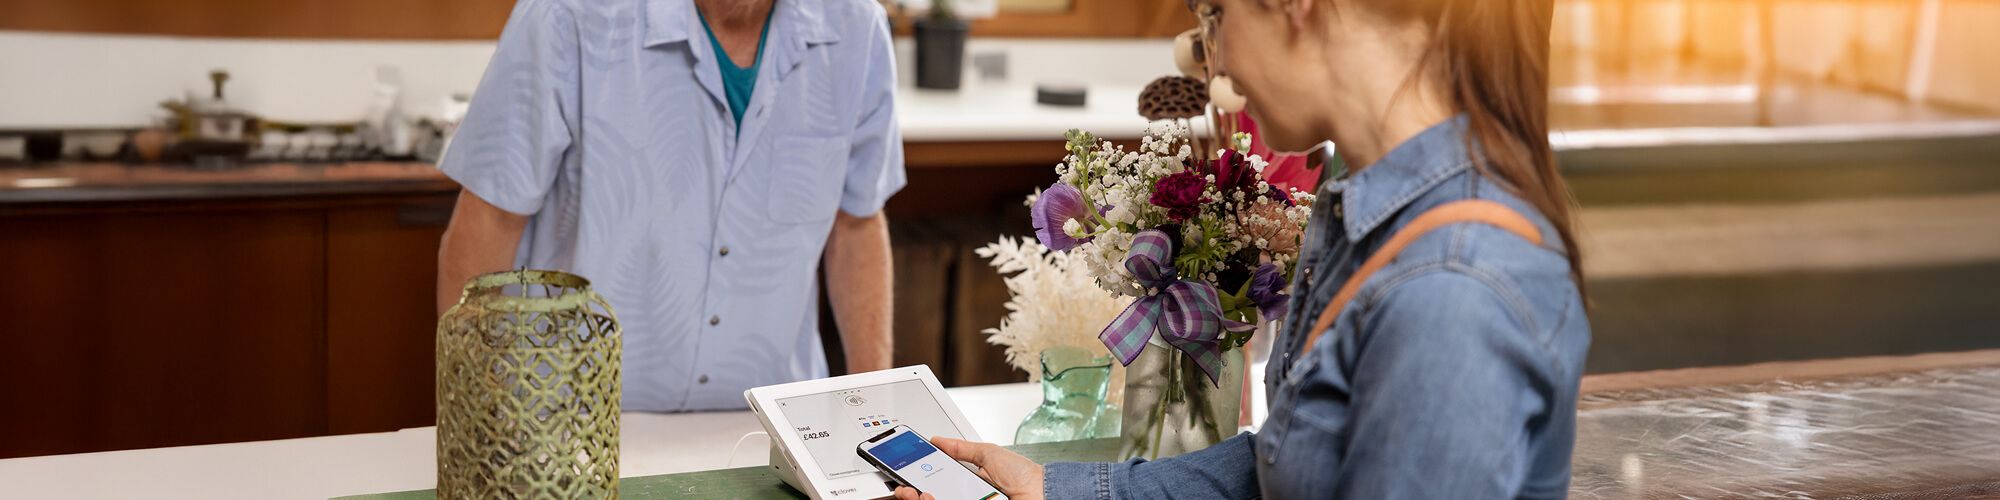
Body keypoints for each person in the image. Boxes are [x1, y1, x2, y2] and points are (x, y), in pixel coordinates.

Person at [898, 0, 1589, 498]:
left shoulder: (1449, 290)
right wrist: (1059, 491)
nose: (1214, 57)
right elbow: (1290, 464)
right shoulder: (1366, 213)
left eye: (1213, 14)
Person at [435, 0, 904, 412]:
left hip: (769, 425)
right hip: (568, 422)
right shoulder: (566, 16)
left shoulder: (856, 27)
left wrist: (875, 415)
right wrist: (478, 421)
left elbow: (857, 224)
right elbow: (488, 224)